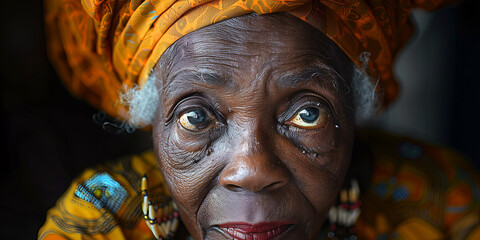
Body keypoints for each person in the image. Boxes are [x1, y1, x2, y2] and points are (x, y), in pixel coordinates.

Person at [39, 0, 480, 239]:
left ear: (354, 109)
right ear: (152, 120)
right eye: (196, 116)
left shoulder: (441, 207)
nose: (252, 170)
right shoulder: (102, 222)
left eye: (308, 113)